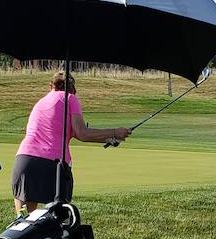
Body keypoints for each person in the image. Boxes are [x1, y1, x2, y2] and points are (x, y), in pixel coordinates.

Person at [11, 72, 131, 214]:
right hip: (53, 164)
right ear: (73, 88)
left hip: (24, 160)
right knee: (58, 222)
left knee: (24, 224)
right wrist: (116, 132)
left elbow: (74, 133)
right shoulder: (70, 98)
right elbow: (83, 133)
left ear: (51, 86)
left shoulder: (41, 102)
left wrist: (106, 138)